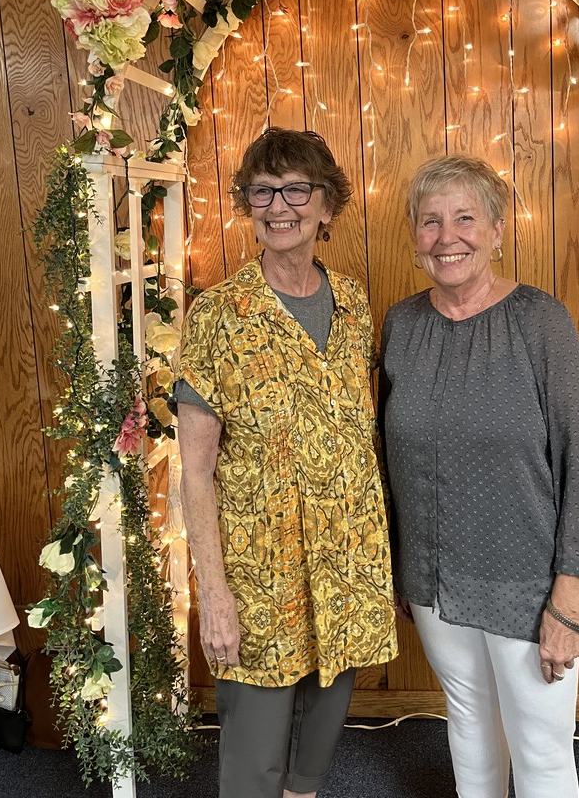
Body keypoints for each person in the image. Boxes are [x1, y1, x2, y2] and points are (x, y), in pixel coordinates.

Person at [379, 155, 579, 798]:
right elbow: (391, 456)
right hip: (433, 580)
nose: (447, 237)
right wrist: (400, 567)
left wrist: (571, 596)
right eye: (430, 221)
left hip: (528, 584)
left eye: (465, 218)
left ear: (496, 230)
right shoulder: (402, 325)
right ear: (415, 237)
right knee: (469, 722)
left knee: (540, 751)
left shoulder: (541, 322)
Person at [175, 128, 397, 798]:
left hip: (347, 560)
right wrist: (215, 596)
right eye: (262, 191)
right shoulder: (218, 315)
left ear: (328, 205)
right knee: (254, 763)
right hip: (259, 570)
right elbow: (195, 472)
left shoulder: (354, 303)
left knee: (315, 751)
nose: (279, 206)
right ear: (246, 204)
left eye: (297, 189)